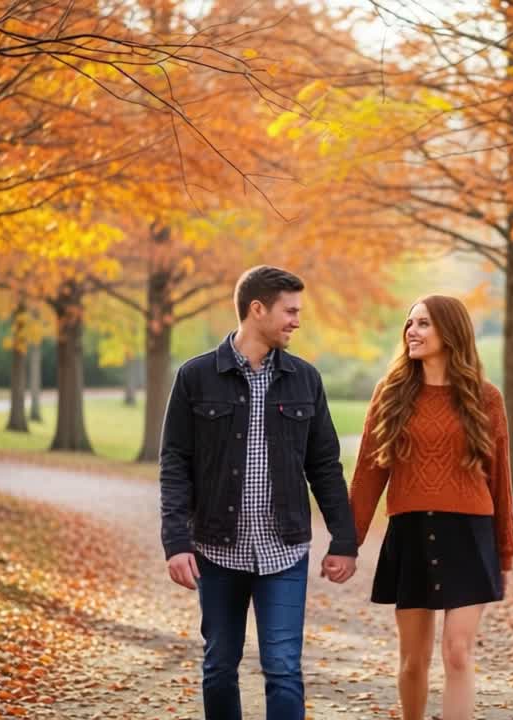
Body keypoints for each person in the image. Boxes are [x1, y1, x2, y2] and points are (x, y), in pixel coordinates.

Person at [158, 265, 359, 720]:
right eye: (289, 311)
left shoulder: (305, 379)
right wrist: (176, 541)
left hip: (283, 551)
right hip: (215, 549)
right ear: (257, 309)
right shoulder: (196, 377)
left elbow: (325, 466)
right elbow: (175, 464)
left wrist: (344, 541)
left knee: (284, 669)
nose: (296, 321)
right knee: (219, 667)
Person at [348, 294, 513, 720]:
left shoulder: (485, 398)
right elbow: (369, 471)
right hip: (411, 534)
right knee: (412, 661)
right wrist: (347, 543)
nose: (412, 331)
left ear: (450, 332)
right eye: (410, 323)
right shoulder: (391, 394)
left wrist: (505, 551)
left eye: (423, 324)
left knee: (457, 653)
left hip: (469, 534)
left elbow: (501, 480)